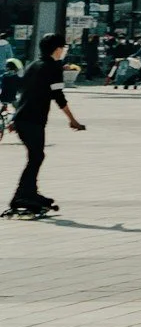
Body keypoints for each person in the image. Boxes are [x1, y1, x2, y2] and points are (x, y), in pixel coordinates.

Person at [8, 35, 85, 216]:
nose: (64, 51)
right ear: (57, 49)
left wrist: (15, 118)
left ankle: (29, 193)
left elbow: (24, 92)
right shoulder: (52, 67)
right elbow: (58, 96)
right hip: (33, 120)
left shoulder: (33, 65)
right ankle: (23, 195)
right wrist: (72, 120)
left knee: (36, 156)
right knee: (37, 157)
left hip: (23, 119)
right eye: (63, 47)